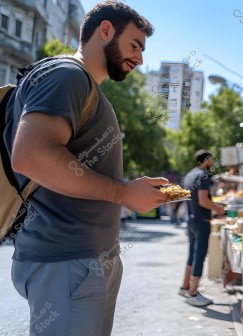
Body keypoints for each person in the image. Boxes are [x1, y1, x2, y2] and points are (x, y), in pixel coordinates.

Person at [5, 2, 167, 335]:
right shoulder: (66, 75)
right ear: (105, 30)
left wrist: (130, 190)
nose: (139, 58)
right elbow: (31, 156)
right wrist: (123, 193)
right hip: (65, 262)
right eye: (134, 45)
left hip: (83, 262)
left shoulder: (86, 88)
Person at [180, 150, 226, 307]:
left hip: (191, 219)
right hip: (202, 220)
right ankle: (193, 292)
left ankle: (185, 287)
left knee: (192, 254)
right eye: (211, 160)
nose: (212, 163)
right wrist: (219, 210)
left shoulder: (190, 175)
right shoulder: (204, 175)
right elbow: (203, 200)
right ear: (206, 160)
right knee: (199, 256)